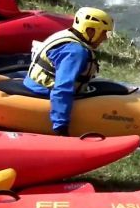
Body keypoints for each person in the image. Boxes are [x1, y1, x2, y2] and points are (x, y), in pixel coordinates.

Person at [23, 7, 114, 136]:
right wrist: (61, 127)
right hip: (43, 91)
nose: (105, 38)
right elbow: (62, 89)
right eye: (104, 33)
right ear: (90, 30)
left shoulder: (68, 35)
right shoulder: (75, 52)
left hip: (35, 83)